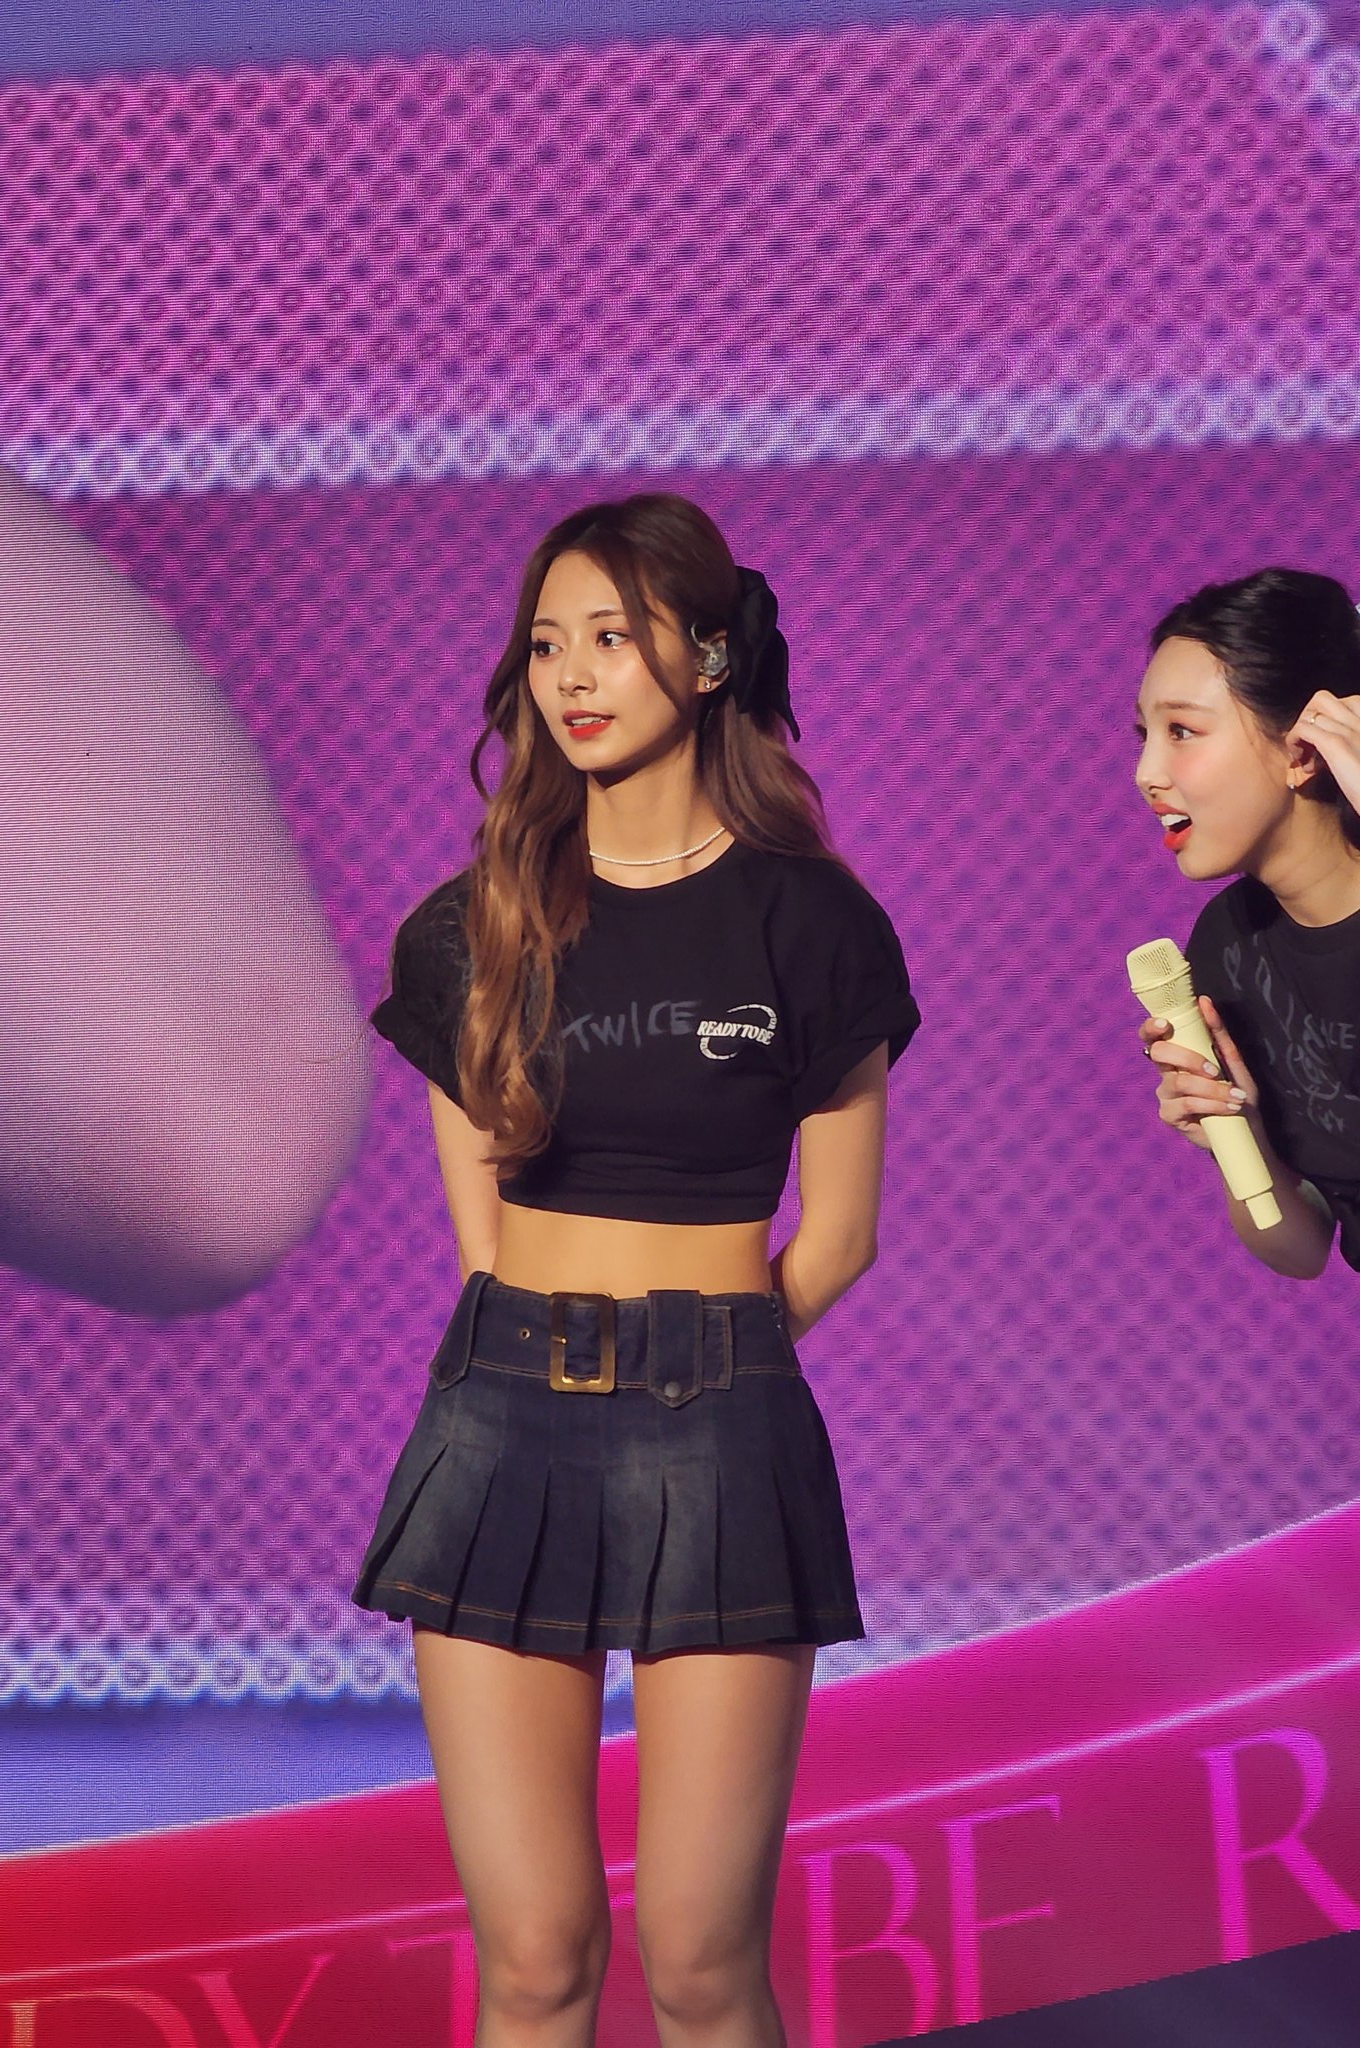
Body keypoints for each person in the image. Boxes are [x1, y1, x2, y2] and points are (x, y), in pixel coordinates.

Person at [353, 492, 920, 2048]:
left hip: (720, 1422)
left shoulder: (812, 920)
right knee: (535, 1959)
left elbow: (842, 1237)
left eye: (612, 636)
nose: (573, 677)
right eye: (548, 644)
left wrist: (709, 1359)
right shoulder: (474, 922)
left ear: (710, 654)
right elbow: (480, 1221)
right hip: (499, 1418)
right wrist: (552, 1349)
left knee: (699, 1961)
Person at [1133, 568, 1360, 2048]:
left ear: (1301, 745)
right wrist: (1236, 1142)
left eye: (1184, 731)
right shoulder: (1232, 954)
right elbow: (1297, 1242)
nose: (1150, 775)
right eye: (1143, 736)